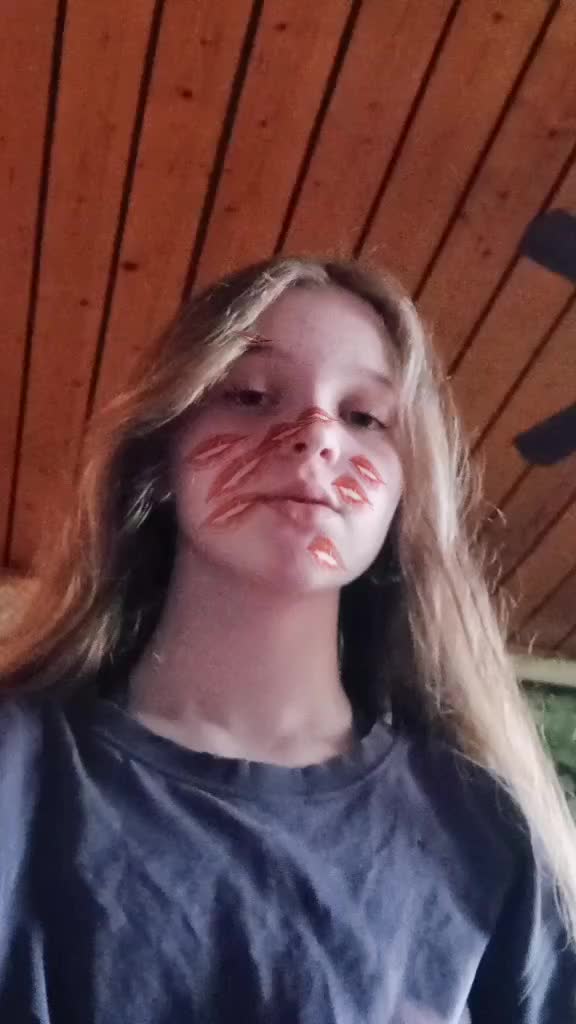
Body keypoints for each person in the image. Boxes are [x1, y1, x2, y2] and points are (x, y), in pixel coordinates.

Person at [0, 256, 574, 1023]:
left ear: (407, 495)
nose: (316, 439)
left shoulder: (486, 830)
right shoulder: (13, 770)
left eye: (365, 416)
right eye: (249, 396)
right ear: (160, 455)